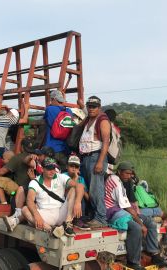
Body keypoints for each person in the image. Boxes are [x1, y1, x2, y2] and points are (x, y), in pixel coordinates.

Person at [104, 161, 167, 270]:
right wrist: (141, 225)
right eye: (127, 173)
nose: (129, 176)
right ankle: (133, 261)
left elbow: (130, 206)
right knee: (136, 228)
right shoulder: (115, 182)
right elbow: (127, 208)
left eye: (130, 174)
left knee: (151, 223)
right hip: (112, 211)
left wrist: (142, 221)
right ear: (119, 172)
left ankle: (154, 253)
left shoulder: (122, 181)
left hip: (122, 209)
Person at [3, 157, 84, 238]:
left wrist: (77, 202)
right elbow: (29, 200)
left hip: (61, 211)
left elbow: (79, 186)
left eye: (53, 168)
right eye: (49, 169)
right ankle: (51, 230)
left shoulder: (61, 177)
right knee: (25, 209)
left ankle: (68, 224)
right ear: (42, 169)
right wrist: (37, 216)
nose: (52, 171)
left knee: (74, 189)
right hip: (46, 215)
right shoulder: (35, 182)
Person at [0, 139, 36, 219]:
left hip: (19, 190)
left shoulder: (18, 158)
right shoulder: (36, 159)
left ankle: (4, 206)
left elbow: (2, 171)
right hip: (30, 190)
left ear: (21, 147)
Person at [79, 96, 111, 228]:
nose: (91, 108)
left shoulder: (102, 120)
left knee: (96, 189)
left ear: (99, 108)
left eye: (94, 106)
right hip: (86, 157)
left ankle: (101, 218)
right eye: (89, 106)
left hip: (96, 157)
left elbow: (106, 142)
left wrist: (100, 161)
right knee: (89, 190)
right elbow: (86, 112)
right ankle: (93, 216)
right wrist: (81, 105)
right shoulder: (90, 118)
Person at [43, 90, 72, 170]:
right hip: (65, 148)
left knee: (51, 174)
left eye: (51, 100)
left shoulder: (49, 109)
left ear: (54, 99)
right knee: (64, 174)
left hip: (52, 148)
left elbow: (46, 119)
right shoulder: (69, 111)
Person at [63, 155, 90, 230]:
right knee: (74, 189)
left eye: (76, 166)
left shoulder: (81, 178)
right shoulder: (63, 176)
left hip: (77, 204)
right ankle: (73, 220)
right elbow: (63, 192)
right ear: (67, 166)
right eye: (71, 166)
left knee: (80, 195)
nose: (74, 168)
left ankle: (79, 219)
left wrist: (78, 180)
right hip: (65, 202)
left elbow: (87, 198)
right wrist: (75, 180)